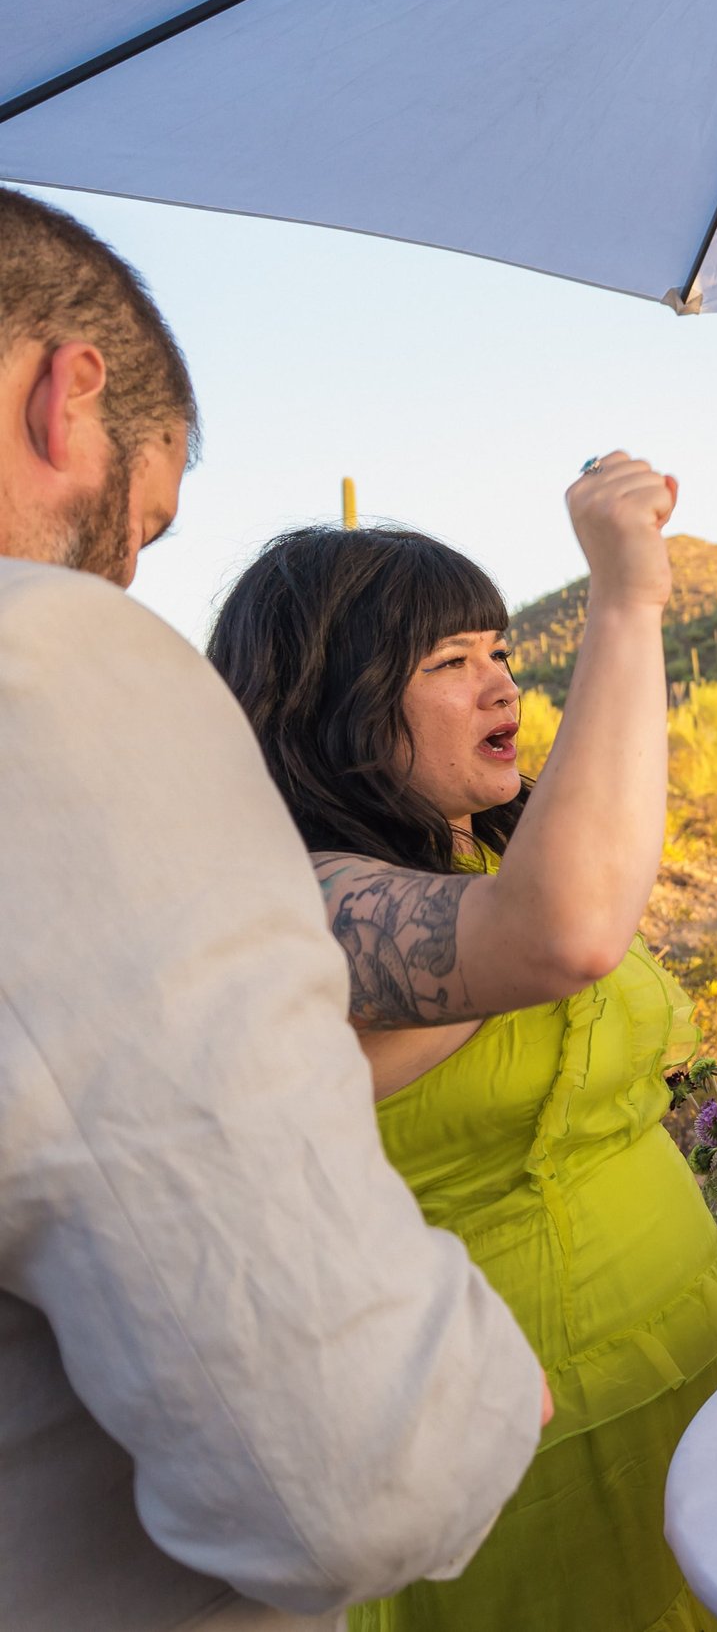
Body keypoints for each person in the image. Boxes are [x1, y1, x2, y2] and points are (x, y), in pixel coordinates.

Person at [0, 188, 546, 1630]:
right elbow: (353, 1471)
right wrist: (483, 1393)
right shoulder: (50, 678)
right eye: (144, 518)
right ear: (69, 394)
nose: (125, 575)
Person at [204, 474, 717, 1632]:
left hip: (685, 1359)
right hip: (524, 1442)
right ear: (330, 702)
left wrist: (710, 1249)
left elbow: (574, 1116)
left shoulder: (485, 866)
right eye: (450, 660)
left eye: (498, 649)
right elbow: (561, 935)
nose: (501, 680)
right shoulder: (311, 909)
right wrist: (626, 597)